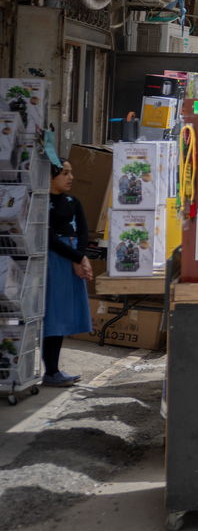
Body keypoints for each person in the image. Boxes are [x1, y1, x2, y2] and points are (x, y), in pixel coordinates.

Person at [44, 160, 92, 387]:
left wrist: (80, 255)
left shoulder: (74, 202)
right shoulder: (41, 202)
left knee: (63, 315)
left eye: (71, 172)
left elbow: (83, 231)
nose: (70, 177)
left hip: (71, 260)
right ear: (51, 176)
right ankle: (50, 370)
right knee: (53, 315)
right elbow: (49, 239)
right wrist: (77, 258)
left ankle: (52, 370)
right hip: (54, 262)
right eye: (65, 173)